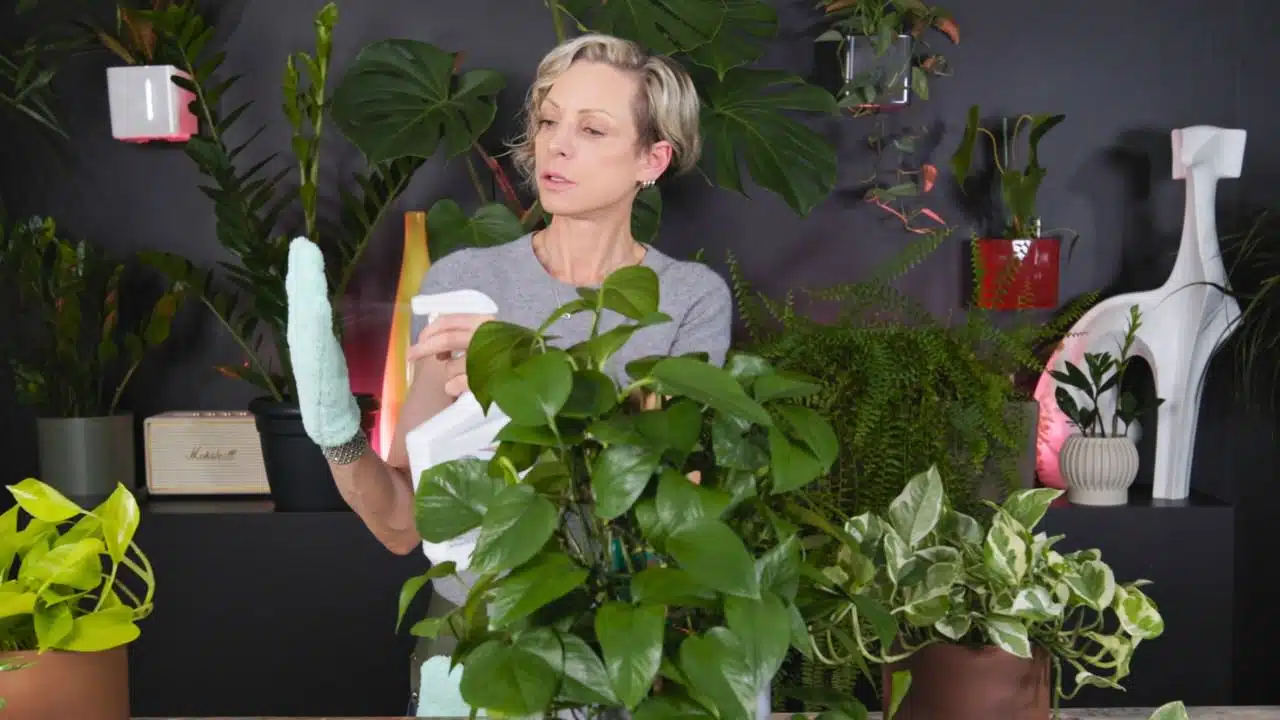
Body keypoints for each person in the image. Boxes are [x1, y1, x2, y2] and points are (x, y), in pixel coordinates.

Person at [283, 31, 733, 715]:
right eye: (548, 121)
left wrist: (526, 371)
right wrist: (337, 433)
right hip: (477, 648)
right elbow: (405, 523)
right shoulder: (465, 281)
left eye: (591, 128)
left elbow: (669, 522)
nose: (555, 145)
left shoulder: (689, 299)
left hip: (616, 645)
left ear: (652, 158)